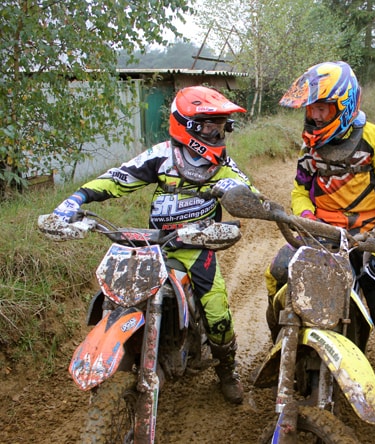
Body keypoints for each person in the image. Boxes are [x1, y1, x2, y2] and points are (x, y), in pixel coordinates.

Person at [51, 86, 259, 404]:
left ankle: (226, 371)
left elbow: (250, 193)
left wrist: (238, 192)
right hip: (155, 246)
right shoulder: (162, 156)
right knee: (121, 291)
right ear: (187, 126)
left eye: (221, 125)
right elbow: (120, 177)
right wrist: (78, 197)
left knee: (216, 309)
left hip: (197, 246)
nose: (217, 132)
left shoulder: (223, 166)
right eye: (209, 125)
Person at [264, 61, 375, 429]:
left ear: (343, 104)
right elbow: (299, 186)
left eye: (321, 108)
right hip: (321, 236)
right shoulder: (309, 145)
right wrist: (305, 214)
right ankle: (284, 347)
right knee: (278, 272)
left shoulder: (373, 137)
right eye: (310, 109)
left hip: (367, 240)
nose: (313, 116)